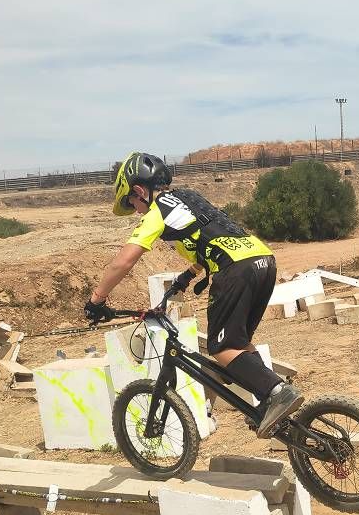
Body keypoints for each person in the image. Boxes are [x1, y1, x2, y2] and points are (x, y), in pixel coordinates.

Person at [84, 151, 303, 438]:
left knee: (221, 349)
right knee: (239, 345)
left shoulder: (156, 212)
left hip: (235, 270)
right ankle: (267, 401)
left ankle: (278, 392)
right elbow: (212, 234)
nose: (136, 210)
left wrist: (96, 300)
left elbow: (123, 262)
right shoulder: (189, 196)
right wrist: (188, 276)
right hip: (262, 260)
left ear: (140, 191)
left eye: (131, 202)